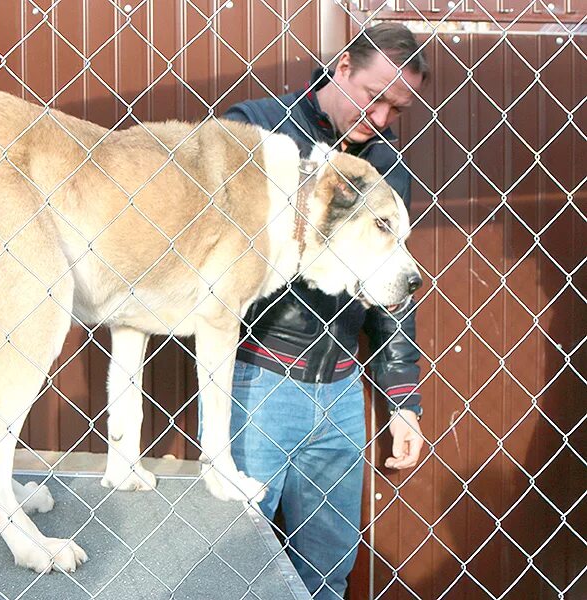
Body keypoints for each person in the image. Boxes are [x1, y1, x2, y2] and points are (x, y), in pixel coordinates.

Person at [223, 22, 429, 599]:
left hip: (340, 390)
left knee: (328, 575)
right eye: (374, 97)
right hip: (259, 377)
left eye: (398, 108)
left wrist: (404, 401)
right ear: (341, 70)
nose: (383, 118)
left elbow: (392, 291)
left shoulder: (387, 167)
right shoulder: (257, 128)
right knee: (239, 570)